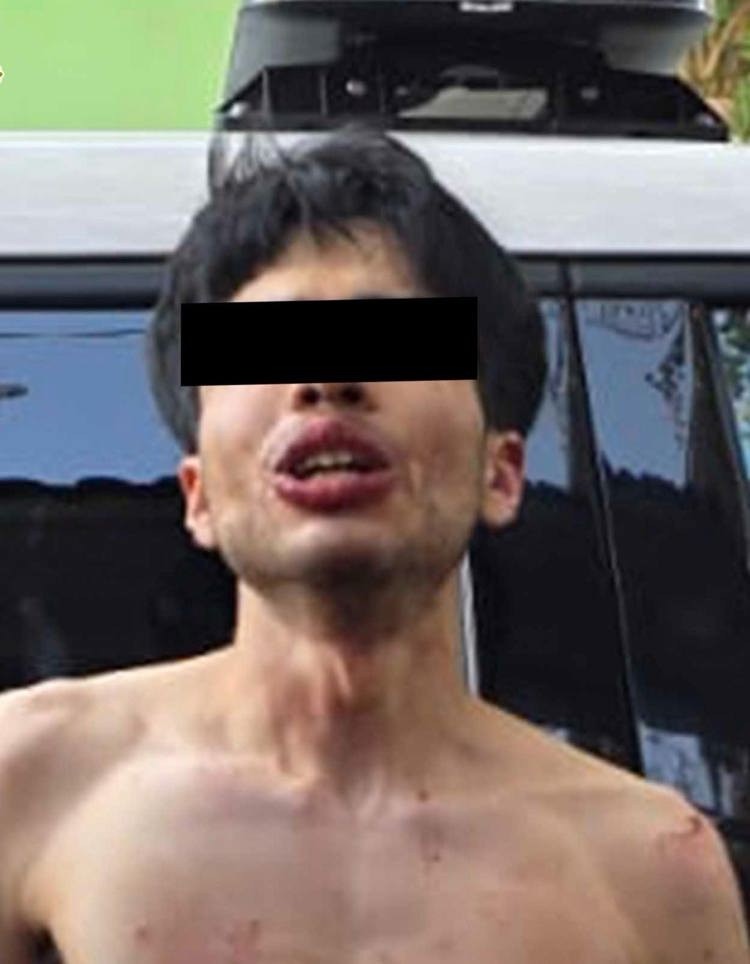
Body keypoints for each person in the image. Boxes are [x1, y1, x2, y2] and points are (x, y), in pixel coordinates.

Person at [0, 128, 747, 964]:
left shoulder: (650, 869)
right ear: (198, 494)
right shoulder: (33, 781)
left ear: (501, 474)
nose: (326, 383)